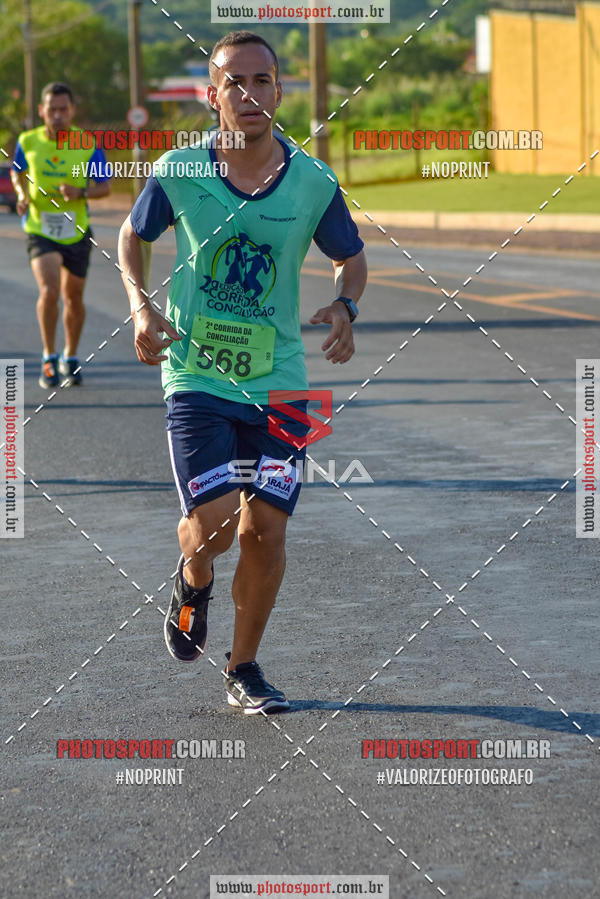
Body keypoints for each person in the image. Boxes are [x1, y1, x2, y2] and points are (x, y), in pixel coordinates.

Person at [118, 31, 367, 714]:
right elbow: (131, 237)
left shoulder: (313, 181)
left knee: (270, 531)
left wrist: (346, 302)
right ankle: (193, 573)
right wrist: (140, 306)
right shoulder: (181, 170)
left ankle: (244, 666)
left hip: (284, 380)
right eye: (235, 82)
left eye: (263, 81)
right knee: (221, 524)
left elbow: (353, 256)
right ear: (213, 94)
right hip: (197, 372)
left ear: (278, 90)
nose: (250, 94)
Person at [11, 82, 111, 388]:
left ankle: (70, 356)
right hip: (40, 228)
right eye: (51, 110)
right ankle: (49, 356)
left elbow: (104, 186)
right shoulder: (28, 141)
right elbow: (17, 170)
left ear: (72, 111)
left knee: (74, 298)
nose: (57, 115)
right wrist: (21, 193)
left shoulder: (87, 143)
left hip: (76, 230)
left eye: (62, 110)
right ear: (41, 111)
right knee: (50, 290)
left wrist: (79, 191)